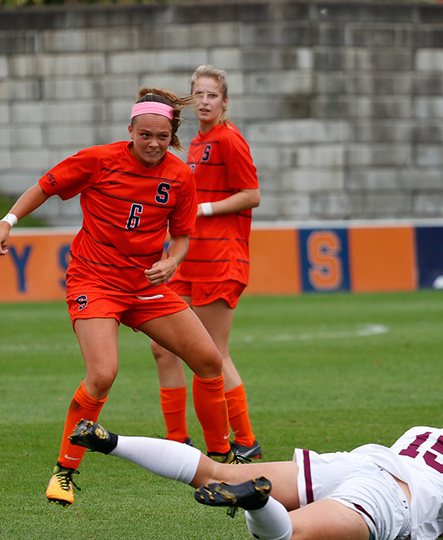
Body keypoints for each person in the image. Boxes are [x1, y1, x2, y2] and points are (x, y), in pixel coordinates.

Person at [0, 88, 241, 508]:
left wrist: (172, 263)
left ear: (172, 134)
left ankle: (222, 461)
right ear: (131, 131)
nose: (153, 143)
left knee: (210, 360)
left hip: (145, 285)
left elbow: (181, 238)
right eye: (145, 135)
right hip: (94, 282)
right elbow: (45, 187)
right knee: (103, 374)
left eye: (161, 136)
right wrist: (6, 222)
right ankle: (64, 472)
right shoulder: (98, 160)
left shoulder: (179, 176)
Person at [66, 410, 443, 540]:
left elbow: (432, 485)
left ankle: (113, 443)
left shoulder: (422, 432)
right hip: (386, 497)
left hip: (356, 464)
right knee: (288, 536)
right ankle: (257, 502)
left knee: (214, 469)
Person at [150, 65, 262, 460]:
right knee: (162, 348)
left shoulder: (230, 140)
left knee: (213, 351)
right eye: (198, 94)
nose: (204, 101)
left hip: (220, 258)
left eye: (212, 95)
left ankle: (245, 442)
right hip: (187, 259)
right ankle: (177, 440)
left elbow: (251, 194)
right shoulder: (194, 143)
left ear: (225, 101)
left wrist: (205, 208)